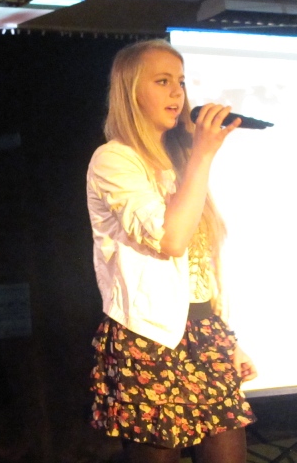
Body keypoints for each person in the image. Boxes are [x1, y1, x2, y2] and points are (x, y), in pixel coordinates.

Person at [87, 39, 258, 463]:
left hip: (205, 332)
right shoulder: (115, 160)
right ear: (131, 92)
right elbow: (171, 240)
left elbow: (201, 264)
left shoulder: (181, 160)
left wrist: (227, 338)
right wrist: (203, 154)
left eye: (180, 82)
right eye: (162, 81)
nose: (177, 93)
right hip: (148, 338)